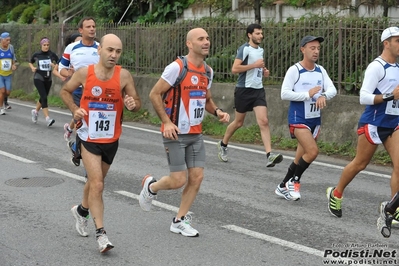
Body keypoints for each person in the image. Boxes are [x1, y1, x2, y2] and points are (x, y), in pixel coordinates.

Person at [139, 28, 230, 237]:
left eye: (208, 38)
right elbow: (154, 94)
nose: (206, 42)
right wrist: (166, 122)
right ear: (189, 44)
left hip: (196, 134)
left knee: (197, 177)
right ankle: (152, 187)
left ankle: (179, 220)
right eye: (201, 39)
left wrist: (217, 112)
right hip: (175, 133)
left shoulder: (208, 71)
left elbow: (205, 99)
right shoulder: (177, 68)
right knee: (178, 180)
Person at [60, 33, 141, 252]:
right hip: (88, 137)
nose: (114, 55)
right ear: (99, 49)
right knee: (97, 184)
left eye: (118, 51)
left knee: (96, 182)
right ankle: (101, 233)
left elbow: (136, 102)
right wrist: (75, 110)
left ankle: (81, 210)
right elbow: (65, 91)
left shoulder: (123, 76)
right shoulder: (85, 74)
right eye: (110, 50)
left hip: (111, 139)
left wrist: (133, 104)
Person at [327, 27, 399, 222]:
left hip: (394, 124)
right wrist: (391, 95)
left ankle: (394, 208)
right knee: (360, 164)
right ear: (387, 43)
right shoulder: (377, 67)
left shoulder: (398, 68)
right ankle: (336, 193)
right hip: (373, 124)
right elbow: (364, 97)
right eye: (398, 41)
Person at [274, 35, 337, 201]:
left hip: (315, 120)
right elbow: (284, 93)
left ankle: (282, 186)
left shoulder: (320, 70)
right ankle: (295, 182)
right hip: (298, 117)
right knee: (313, 151)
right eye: (312, 48)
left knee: (298, 158)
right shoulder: (295, 70)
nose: (316, 51)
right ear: (303, 49)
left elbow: (333, 89)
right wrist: (306, 95)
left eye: (318, 48)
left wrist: (323, 95)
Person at [216, 23, 283, 167]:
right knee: (238, 122)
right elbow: (234, 69)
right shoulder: (244, 49)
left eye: (261, 33)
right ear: (250, 35)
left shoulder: (261, 50)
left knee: (264, 121)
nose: (260, 36)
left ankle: (269, 155)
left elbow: (259, 67)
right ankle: (223, 144)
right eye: (257, 33)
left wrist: (264, 71)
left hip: (258, 90)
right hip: (243, 90)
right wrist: (255, 66)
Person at [58, 17, 99, 167]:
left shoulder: (100, 47)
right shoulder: (72, 48)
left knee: (94, 127)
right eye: (88, 26)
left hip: (96, 93)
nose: (92, 29)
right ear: (81, 30)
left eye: (94, 26)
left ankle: (77, 148)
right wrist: (69, 73)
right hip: (77, 92)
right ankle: (89, 168)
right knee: (82, 125)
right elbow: (60, 68)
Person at [29, 37, 59, 126]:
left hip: (48, 79)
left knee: (43, 97)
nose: (46, 47)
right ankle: (47, 118)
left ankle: (35, 111)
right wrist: (32, 68)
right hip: (38, 78)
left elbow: (59, 63)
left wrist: (54, 66)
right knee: (44, 97)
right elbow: (30, 62)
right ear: (41, 45)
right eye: (44, 45)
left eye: (48, 45)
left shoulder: (52, 55)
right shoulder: (37, 54)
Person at [0, 32, 17, 114]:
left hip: (8, 74)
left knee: (8, 92)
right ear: (2, 40)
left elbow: (13, 57)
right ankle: (1, 108)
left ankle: (4, 101)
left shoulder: (11, 47)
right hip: (0, 74)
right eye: (7, 40)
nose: (8, 42)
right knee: (2, 91)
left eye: (9, 40)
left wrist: (13, 65)